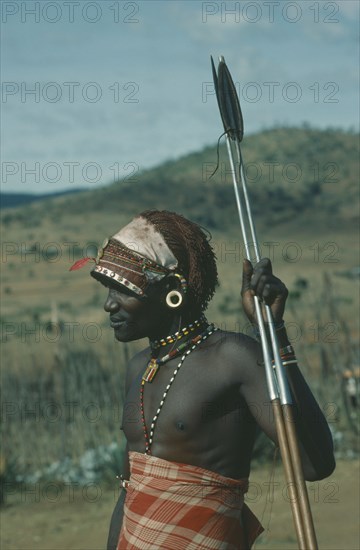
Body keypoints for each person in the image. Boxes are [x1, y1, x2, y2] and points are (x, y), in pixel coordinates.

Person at [74, 209, 335, 549]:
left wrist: (273, 334)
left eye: (123, 290)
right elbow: (129, 489)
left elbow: (316, 466)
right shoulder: (139, 367)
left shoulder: (233, 358)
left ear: (171, 290)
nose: (109, 305)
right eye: (108, 290)